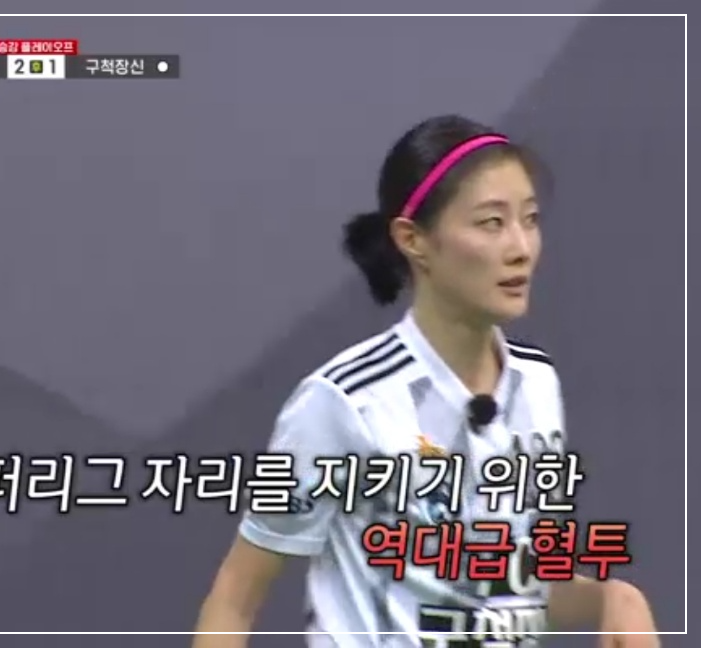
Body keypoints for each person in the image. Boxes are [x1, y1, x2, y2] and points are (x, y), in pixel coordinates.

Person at [192, 115, 658, 647]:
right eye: (491, 223)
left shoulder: (537, 383)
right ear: (413, 240)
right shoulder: (346, 401)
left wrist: (613, 597)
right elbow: (234, 601)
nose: (521, 248)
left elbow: (513, 586)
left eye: (530, 219)